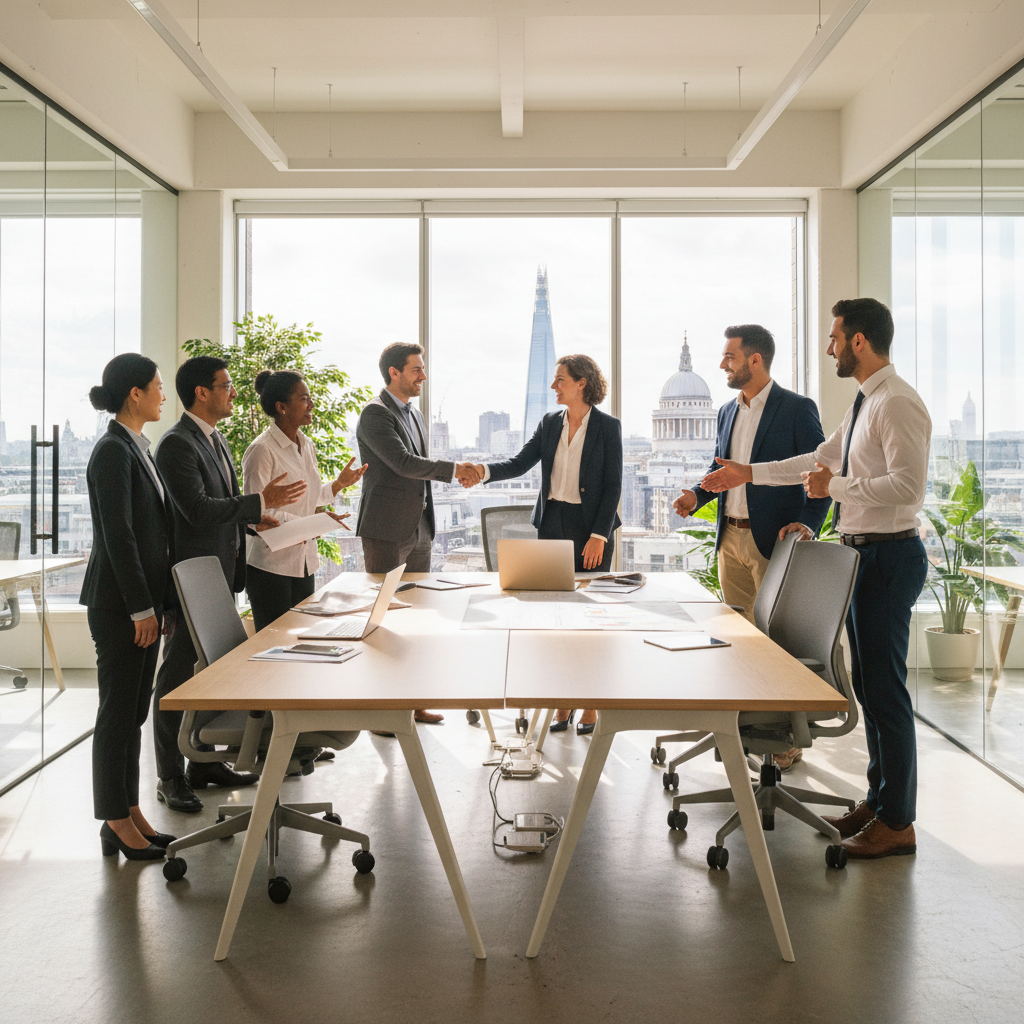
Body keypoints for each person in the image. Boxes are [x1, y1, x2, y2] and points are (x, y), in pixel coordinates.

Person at [701, 298, 930, 859]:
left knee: (886, 693)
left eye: (834, 338)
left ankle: (898, 822)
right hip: (863, 555)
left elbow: (907, 488)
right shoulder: (864, 404)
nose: (828, 347)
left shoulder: (897, 403)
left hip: (890, 555)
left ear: (858, 341)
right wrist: (748, 472)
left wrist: (838, 489)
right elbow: (814, 460)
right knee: (873, 691)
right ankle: (880, 803)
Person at [152, 356, 306, 813]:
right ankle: (168, 775)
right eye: (225, 385)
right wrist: (259, 503)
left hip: (219, 573)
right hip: (192, 582)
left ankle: (202, 764)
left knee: (207, 672)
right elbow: (197, 509)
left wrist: (260, 519)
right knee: (177, 677)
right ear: (202, 392)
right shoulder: (177, 445)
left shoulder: (212, 440)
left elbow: (224, 507)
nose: (234, 393)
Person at [673, 325, 830, 770]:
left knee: (774, 642)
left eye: (730, 357)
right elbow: (722, 468)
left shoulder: (796, 409)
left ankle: (783, 738)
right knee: (737, 639)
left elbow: (821, 468)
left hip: (773, 538)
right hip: (731, 537)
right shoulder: (726, 411)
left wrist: (811, 523)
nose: (723, 364)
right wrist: (696, 494)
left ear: (755, 360)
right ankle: (743, 728)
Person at [467, 354, 622, 736]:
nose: (554, 386)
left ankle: (590, 704)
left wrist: (599, 536)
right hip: (553, 522)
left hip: (591, 530)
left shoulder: (607, 427)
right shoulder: (550, 423)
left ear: (581, 383)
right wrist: (483, 471)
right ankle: (562, 701)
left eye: (560, 380)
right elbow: (520, 463)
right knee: (556, 619)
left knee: (590, 621)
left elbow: (613, 485)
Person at [81, 353, 177, 861]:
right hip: (119, 605)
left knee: (134, 712)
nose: (164, 394)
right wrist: (142, 608)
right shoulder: (112, 452)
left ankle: (129, 810)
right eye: (157, 386)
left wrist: (158, 604)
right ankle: (113, 817)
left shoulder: (135, 447)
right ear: (134, 394)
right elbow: (117, 537)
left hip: (140, 604)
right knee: (117, 714)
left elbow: (153, 533)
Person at [356, 343, 479, 727]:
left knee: (417, 619)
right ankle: (383, 712)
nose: (422, 376)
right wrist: (455, 468)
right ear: (394, 373)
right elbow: (403, 463)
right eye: (415, 370)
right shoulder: (375, 415)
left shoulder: (415, 415)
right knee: (386, 620)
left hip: (419, 526)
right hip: (387, 529)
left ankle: (413, 702)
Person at [242, 370, 367, 632]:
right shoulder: (261, 450)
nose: (311, 405)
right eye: (304, 399)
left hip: (303, 563)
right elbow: (256, 514)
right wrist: (313, 523)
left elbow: (306, 497)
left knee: (300, 638)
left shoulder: (306, 444)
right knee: (274, 645)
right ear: (282, 407)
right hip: (270, 568)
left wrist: (338, 485)